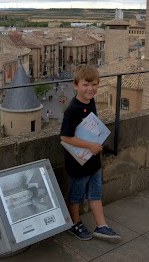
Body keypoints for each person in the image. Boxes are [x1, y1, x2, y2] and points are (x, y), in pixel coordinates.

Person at [60, 64, 121, 243]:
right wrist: (90, 145)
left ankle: (101, 226)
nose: (91, 89)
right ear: (76, 85)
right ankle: (74, 223)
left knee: (95, 193)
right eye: (86, 85)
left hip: (93, 160)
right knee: (75, 197)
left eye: (94, 85)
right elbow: (64, 137)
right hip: (78, 162)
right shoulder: (72, 110)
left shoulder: (91, 102)